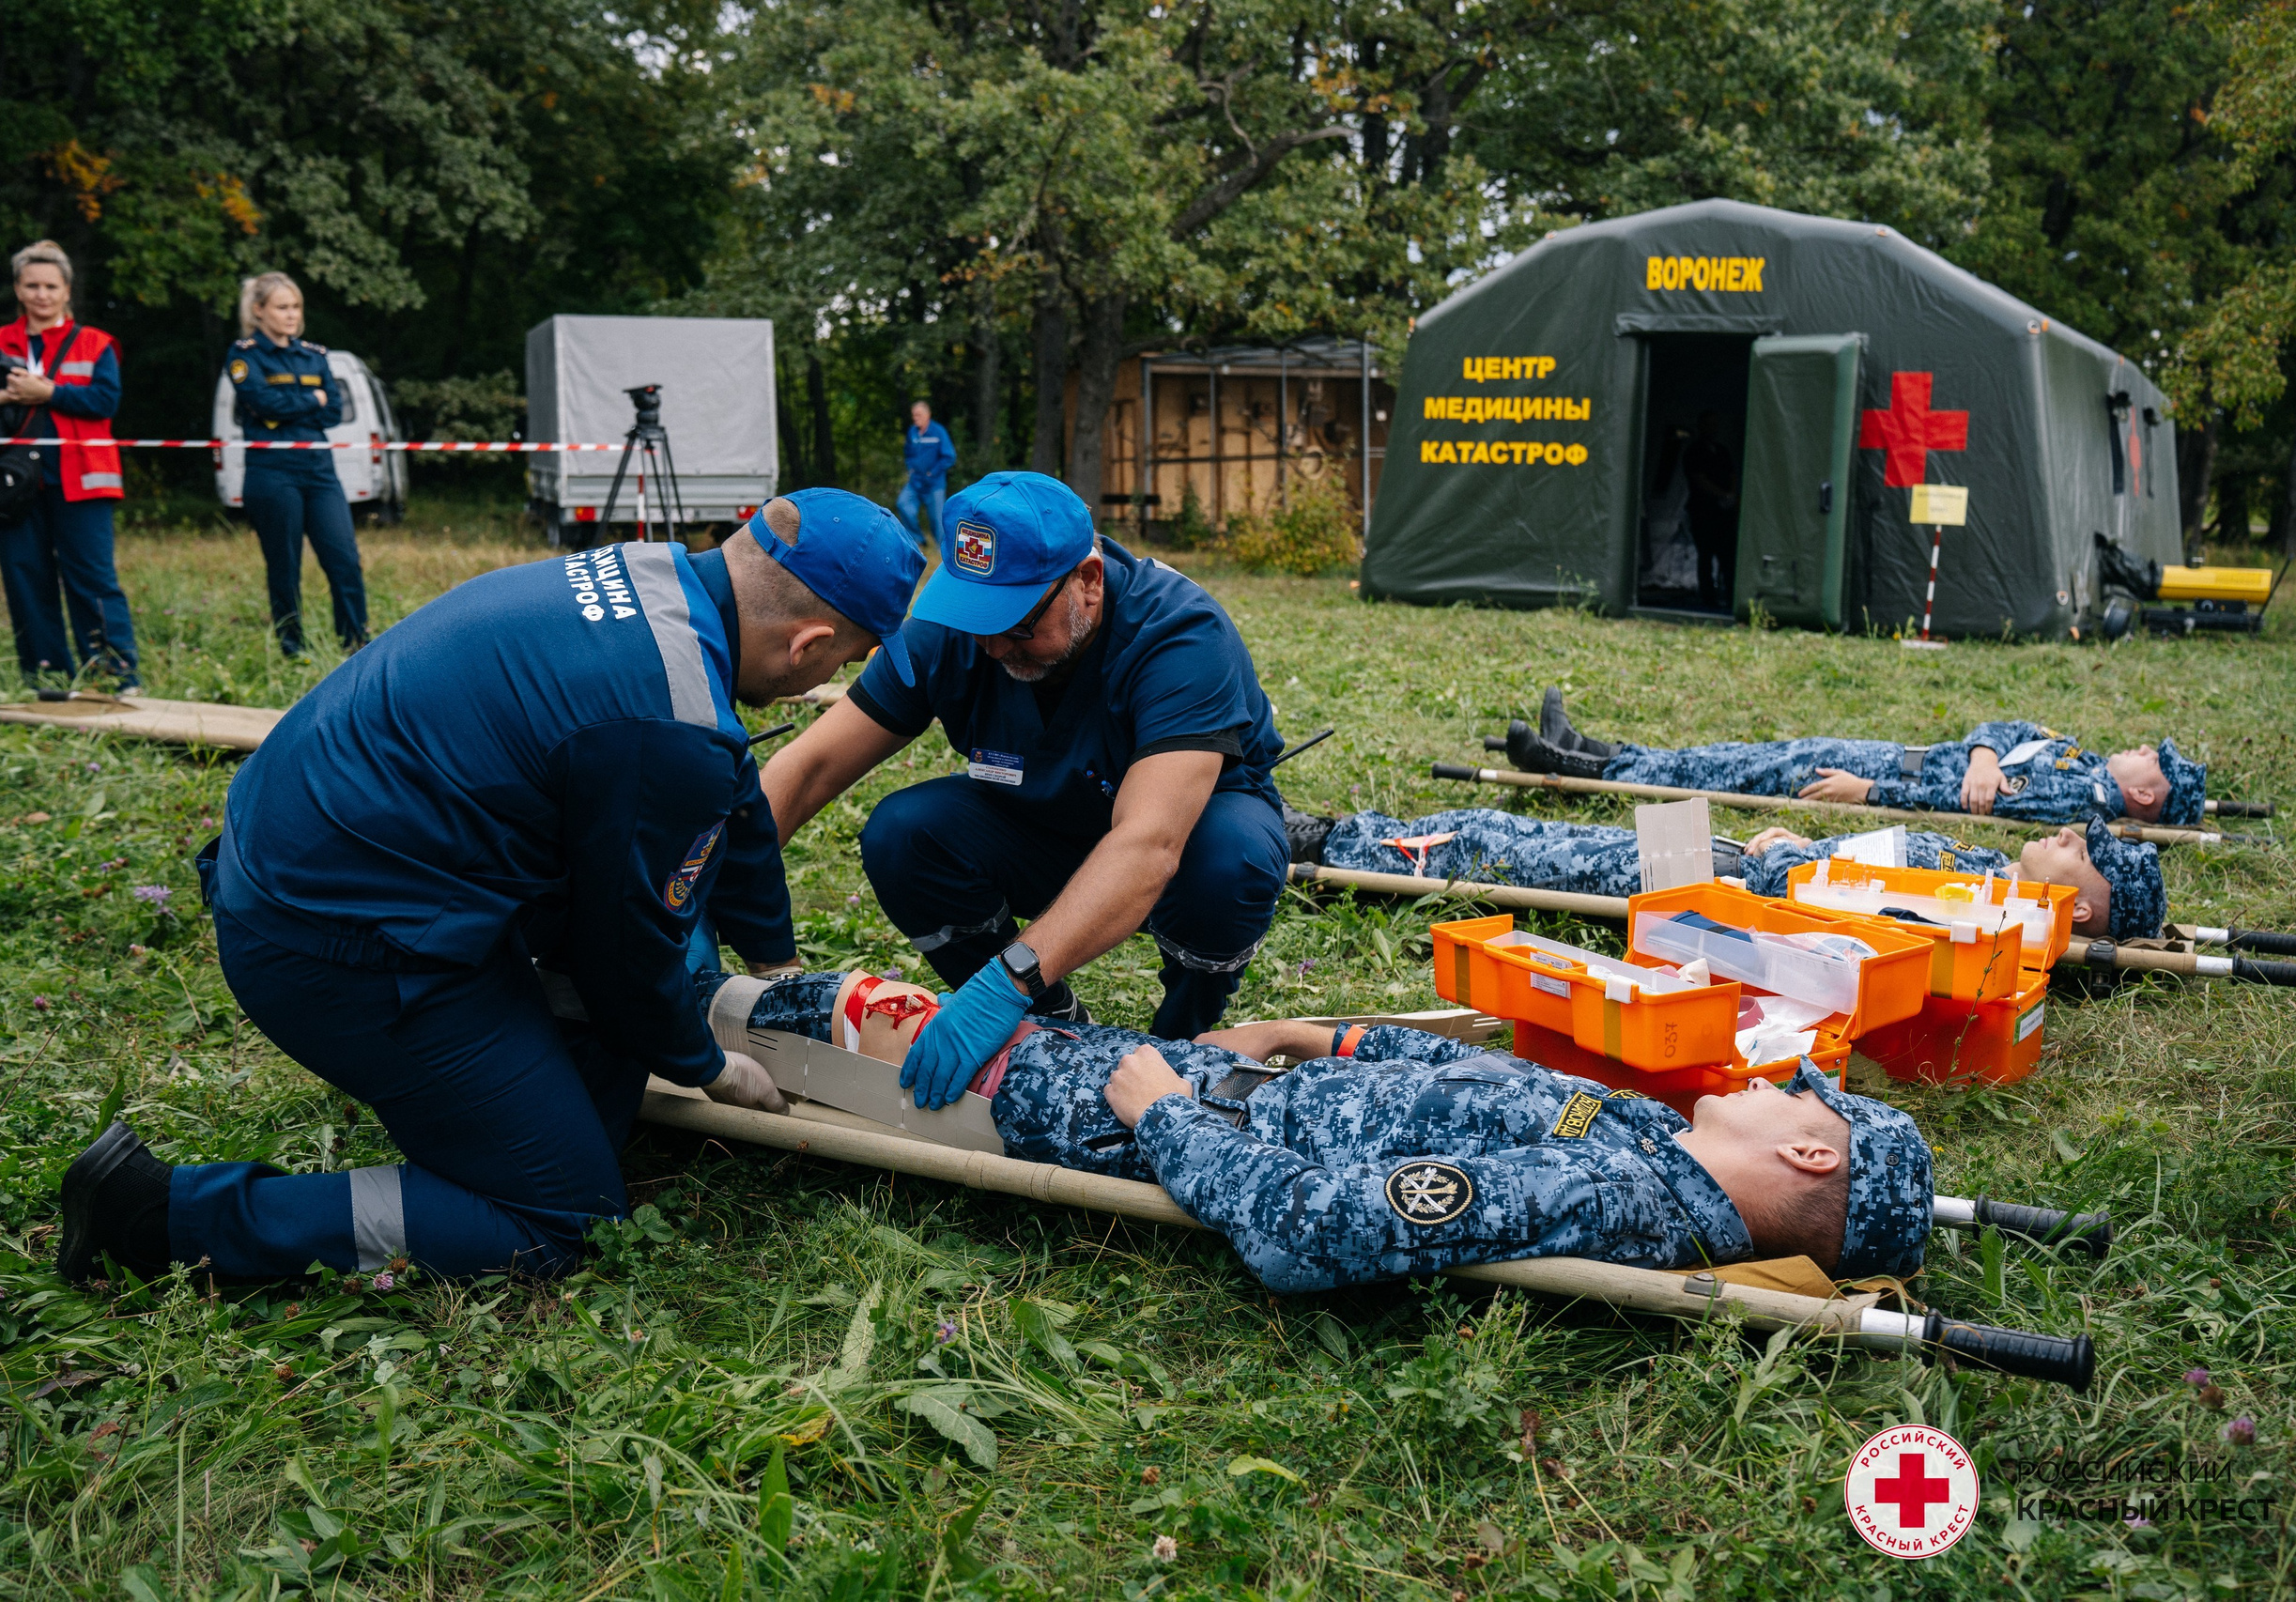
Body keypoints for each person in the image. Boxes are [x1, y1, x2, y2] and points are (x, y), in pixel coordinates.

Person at [52, 492, 923, 1286]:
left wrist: (776, 965)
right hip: (337, 949)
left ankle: (522, 1096)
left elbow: (733, 806)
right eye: (839, 661)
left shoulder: (654, 580)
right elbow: (625, 951)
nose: (823, 681)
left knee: (599, 1090)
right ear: (808, 643)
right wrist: (706, 1067)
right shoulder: (666, 722)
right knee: (559, 1218)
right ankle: (166, 1216)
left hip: (317, 867)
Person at [704, 970, 1934, 1294]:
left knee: (873, 1019)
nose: (1784, 1083)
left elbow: (1314, 1231)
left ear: (1811, 1154)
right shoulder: (1643, 1140)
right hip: (1236, 1085)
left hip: (1174, 1126)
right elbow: (1476, 1078)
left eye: (1804, 1098)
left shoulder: (1615, 1195)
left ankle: (675, 1014)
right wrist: (1321, 1038)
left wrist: (1170, 1115)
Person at [761, 470, 1291, 1109]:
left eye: (1016, 625)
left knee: (1229, 859)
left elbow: (1149, 843)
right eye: (975, 620)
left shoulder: (1181, 636)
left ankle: (1184, 1037)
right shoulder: (954, 630)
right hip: (1041, 827)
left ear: (1088, 583)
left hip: (1181, 841)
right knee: (904, 834)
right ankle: (1051, 1024)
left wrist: (1001, 981)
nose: (990, 645)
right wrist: (698, 889)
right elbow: (807, 768)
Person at [1296, 805, 2165, 939]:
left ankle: (1331, 845)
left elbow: (1857, 918)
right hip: (1743, 867)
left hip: (1727, 891)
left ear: (2080, 912)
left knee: (1507, 847)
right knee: (1527, 833)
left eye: (2080, 856)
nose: (2064, 836)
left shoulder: (1993, 911)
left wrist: (1784, 857)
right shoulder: (1997, 885)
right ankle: (1344, 836)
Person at [1502, 687, 2205, 827]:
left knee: (1740, 775)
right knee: (1745, 754)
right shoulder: (2080, 761)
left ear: (2146, 796)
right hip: (1895, 754)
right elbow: (2009, 721)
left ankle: (1578, 768)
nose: (2144, 748)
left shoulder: (2077, 800)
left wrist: (1865, 792)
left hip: (1885, 774)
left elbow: (1954, 801)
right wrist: (1987, 751)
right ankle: (1594, 750)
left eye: (2154, 761)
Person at [0, 239, 139, 689]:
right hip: (14, 480)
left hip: (83, 478)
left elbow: (106, 400)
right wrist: (0, 395)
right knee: (26, 579)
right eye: (32, 285)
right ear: (18, 289)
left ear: (67, 290)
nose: (42, 294)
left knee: (93, 579)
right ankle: (47, 678)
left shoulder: (96, 343)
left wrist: (50, 393)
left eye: (51, 285)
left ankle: (115, 675)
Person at [226, 272, 369, 659]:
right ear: (258, 311)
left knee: (344, 560)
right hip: (272, 472)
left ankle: (356, 645)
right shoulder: (245, 355)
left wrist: (293, 405)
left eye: (296, 307)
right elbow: (263, 404)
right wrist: (313, 399)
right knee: (285, 566)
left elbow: (334, 413)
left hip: (320, 471)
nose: (292, 315)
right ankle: (293, 649)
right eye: (282, 307)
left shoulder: (315, 355)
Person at [1681, 409, 1739, 611]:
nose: (1712, 429)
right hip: (1703, 512)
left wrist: (1731, 495)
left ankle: (1731, 597)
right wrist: (1722, 495)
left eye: (1715, 425)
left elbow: (1732, 474)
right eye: (1708, 424)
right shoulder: (1694, 452)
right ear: (1701, 426)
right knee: (1705, 555)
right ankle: (1708, 599)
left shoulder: (1722, 451)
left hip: (1723, 514)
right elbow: (1699, 480)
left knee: (1728, 556)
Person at [895, 400, 956, 556]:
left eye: (919, 415)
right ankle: (918, 539)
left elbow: (949, 456)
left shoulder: (938, 432)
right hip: (915, 482)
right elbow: (908, 452)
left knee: (937, 519)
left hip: (934, 484)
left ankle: (942, 550)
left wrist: (933, 472)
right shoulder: (912, 432)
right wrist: (911, 468)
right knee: (903, 504)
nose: (915, 418)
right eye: (914, 415)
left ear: (928, 415)